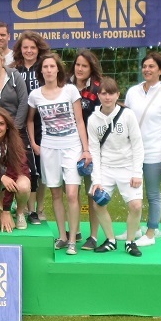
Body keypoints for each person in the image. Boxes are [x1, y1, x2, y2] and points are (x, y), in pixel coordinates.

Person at [27, 52, 91, 255]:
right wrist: (34, 143)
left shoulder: (70, 90)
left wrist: (86, 149)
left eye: (52, 67)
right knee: (55, 193)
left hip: (72, 147)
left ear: (58, 69)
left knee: (72, 193)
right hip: (49, 148)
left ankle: (73, 239)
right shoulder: (35, 95)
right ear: (41, 71)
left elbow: (80, 121)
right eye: (45, 67)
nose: (48, 70)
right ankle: (62, 236)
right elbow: (30, 120)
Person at [117, 51, 161, 247]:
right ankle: (134, 229)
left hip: (155, 152)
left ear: (160, 70)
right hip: (132, 152)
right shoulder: (133, 92)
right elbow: (126, 119)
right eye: (145, 66)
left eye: (152, 66)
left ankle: (151, 233)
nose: (147, 69)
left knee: (153, 194)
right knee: (133, 193)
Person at [88, 77, 144, 257]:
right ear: (98, 95)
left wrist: (137, 173)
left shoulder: (127, 115)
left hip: (128, 167)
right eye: (103, 93)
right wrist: (96, 180)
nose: (107, 97)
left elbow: (137, 144)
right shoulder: (93, 120)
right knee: (98, 203)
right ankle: (110, 240)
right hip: (105, 167)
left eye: (111, 93)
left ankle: (130, 241)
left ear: (117, 95)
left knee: (136, 206)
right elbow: (94, 150)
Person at [12, 31, 50, 225]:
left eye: (32, 47)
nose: (28, 51)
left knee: (43, 167)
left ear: (38, 49)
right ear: (20, 49)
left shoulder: (45, 67)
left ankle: (41, 207)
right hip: (21, 124)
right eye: (25, 47)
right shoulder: (13, 69)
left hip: (43, 123)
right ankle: (29, 209)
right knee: (29, 167)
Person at [67, 49, 103, 251]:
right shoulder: (65, 85)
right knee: (72, 192)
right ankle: (76, 230)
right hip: (70, 146)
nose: (80, 69)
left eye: (84, 66)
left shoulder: (98, 89)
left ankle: (94, 236)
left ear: (91, 68)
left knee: (92, 192)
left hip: (91, 149)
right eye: (77, 65)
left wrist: (89, 148)